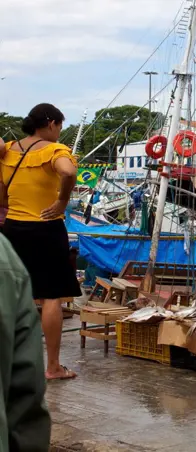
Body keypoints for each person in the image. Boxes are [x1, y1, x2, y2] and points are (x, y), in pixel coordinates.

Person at [0, 103, 80, 380]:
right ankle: (53, 366)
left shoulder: (7, 150)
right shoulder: (54, 150)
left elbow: (2, 196)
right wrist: (62, 201)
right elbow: (68, 172)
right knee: (51, 297)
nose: (59, 131)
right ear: (50, 123)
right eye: (59, 125)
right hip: (46, 229)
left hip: (12, 229)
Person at [0, 233, 51, 451]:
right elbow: (25, 404)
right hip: (42, 233)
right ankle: (55, 364)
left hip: (19, 229)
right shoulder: (5, 258)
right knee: (53, 296)